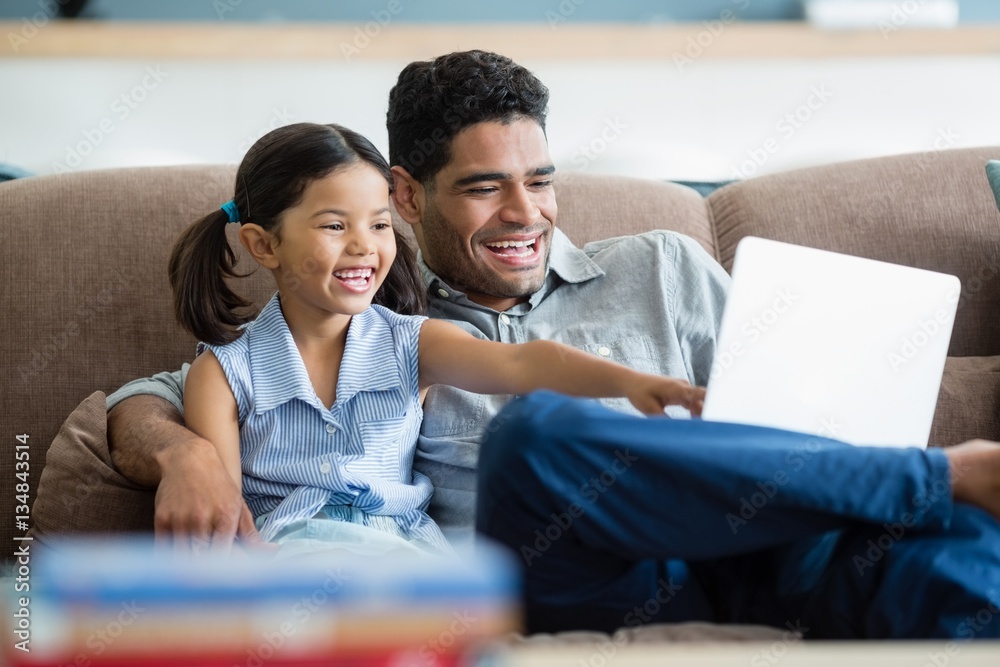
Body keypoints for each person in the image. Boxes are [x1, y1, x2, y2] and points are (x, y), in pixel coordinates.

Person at [106, 51, 1000, 638]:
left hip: (765, 548)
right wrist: (185, 452)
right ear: (410, 199)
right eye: (487, 188)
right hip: (582, 578)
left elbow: (788, 417)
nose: (526, 214)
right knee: (535, 435)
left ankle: (933, 490)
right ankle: (933, 474)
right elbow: (154, 395)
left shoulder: (665, 264)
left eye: (540, 181)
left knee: (954, 552)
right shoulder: (387, 327)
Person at [167, 121, 703, 557]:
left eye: (379, 226)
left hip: (408, 563)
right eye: (335, 227)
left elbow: (525, 364)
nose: (363, 247)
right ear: (263, 245)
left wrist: (632, 383)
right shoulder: (224, 373)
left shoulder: (412, 342)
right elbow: (223, 517)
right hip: (290, 562)